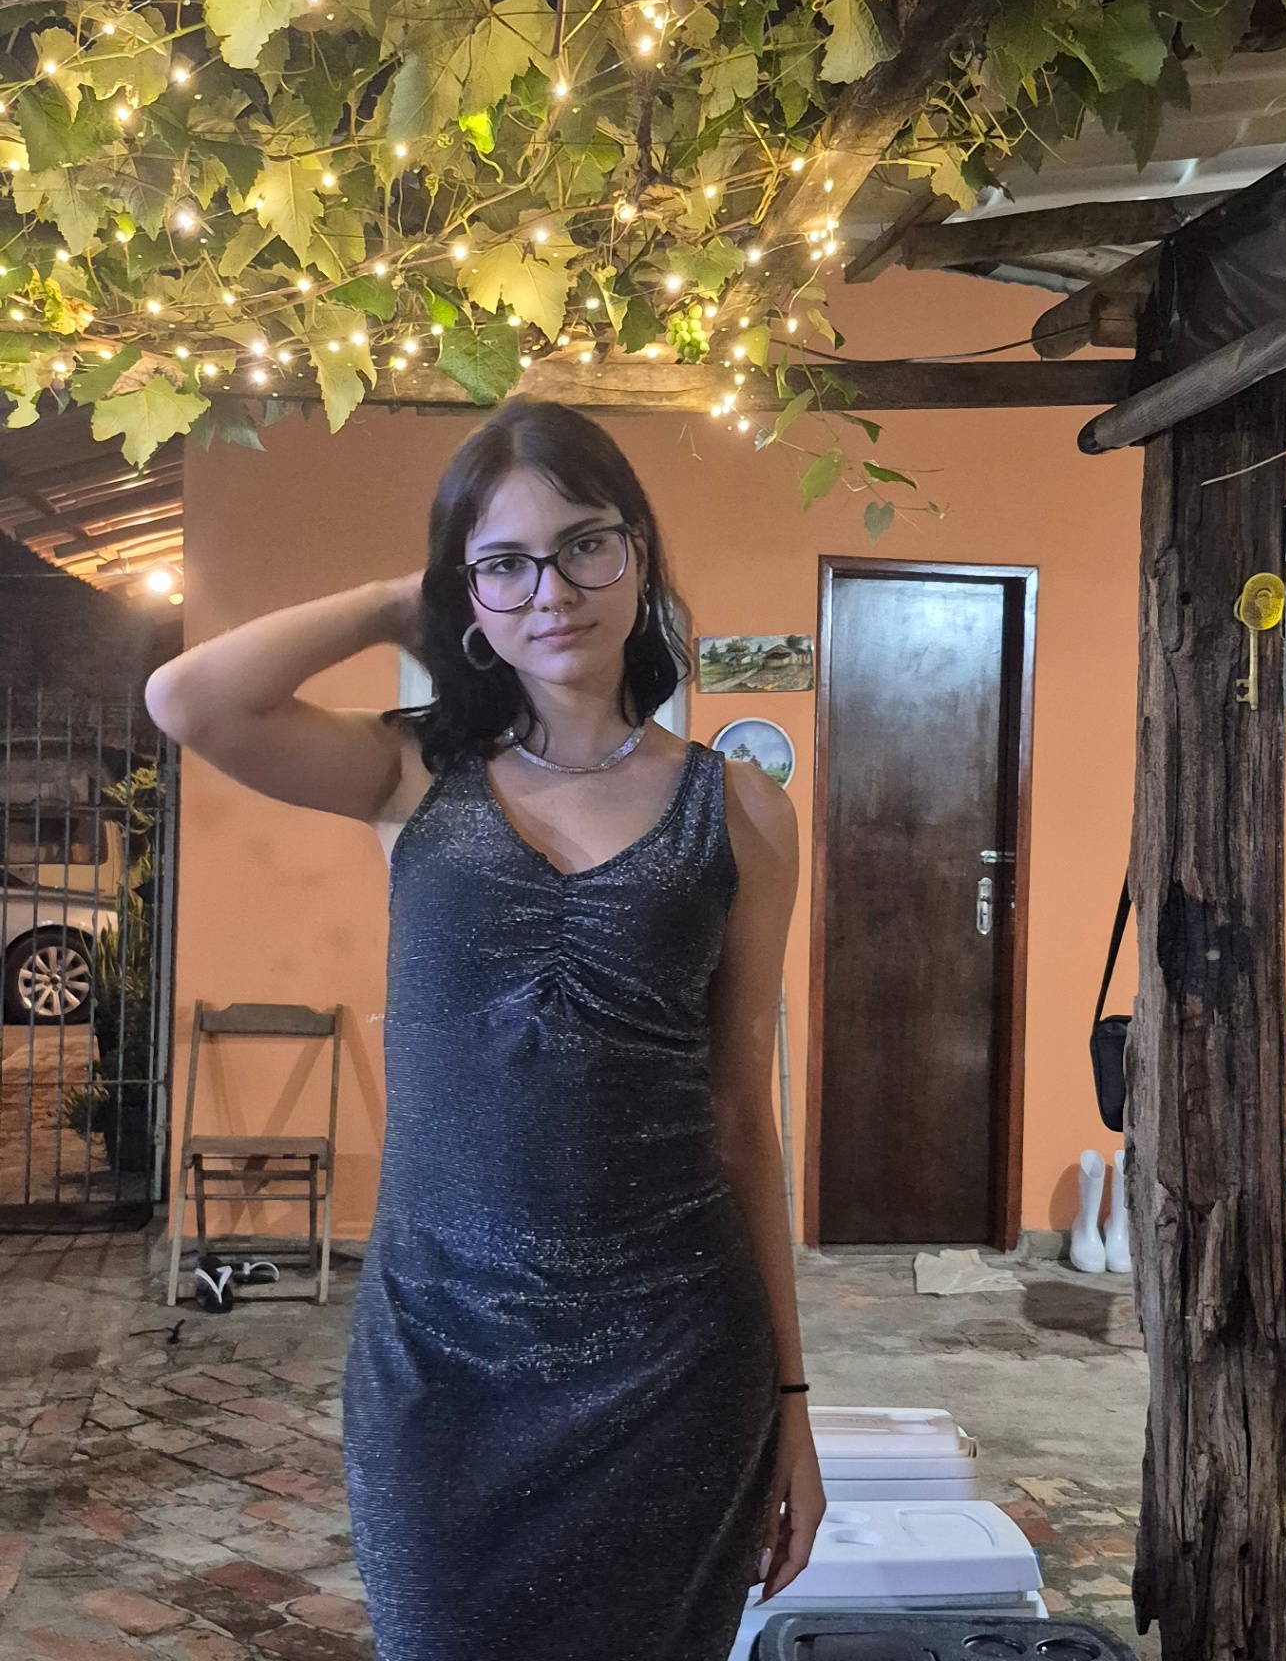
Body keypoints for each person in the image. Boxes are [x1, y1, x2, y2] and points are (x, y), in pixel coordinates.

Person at [145, 398, 825, 1659]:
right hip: (439, 1372)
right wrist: (385, 603)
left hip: (675, 1363)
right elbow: (189, 698)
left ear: (638, 555)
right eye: (503, 563)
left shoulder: (741, 811)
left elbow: (743, 1113)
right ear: (463, 592)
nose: (550, 591)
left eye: (584, 545)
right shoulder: (411, 774)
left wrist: (791, 1399)